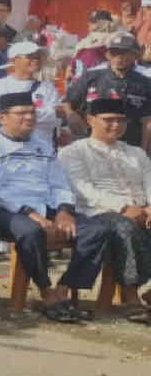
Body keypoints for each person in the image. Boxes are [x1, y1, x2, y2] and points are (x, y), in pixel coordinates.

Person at [0, 92, 109, 323]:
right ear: (2, 117)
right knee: (30, 231)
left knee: (96, 230)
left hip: (45, 204)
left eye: (32, 113)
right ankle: (46, 291)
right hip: (5, 208)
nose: (29, 118)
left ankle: (64, 289)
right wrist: (31, 213)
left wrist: (65, 211)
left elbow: (58, 182)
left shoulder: (43, 145)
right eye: (21, 113)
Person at [60, 98, 151, 319]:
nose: (116, 125)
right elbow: (82, 189)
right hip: (95, 212)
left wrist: (149, 208)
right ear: (90, 120)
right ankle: (130, 296)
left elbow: (149, 180)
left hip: (141, 210)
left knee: (130, 224)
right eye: (108, 120)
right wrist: (123, 207)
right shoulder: (74, 151)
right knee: (124, 226)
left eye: (121, 120)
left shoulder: (136, 153)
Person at [65, 32, 151, 150]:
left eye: (125, 53)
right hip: (92, 145)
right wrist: (70, 114)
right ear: (107, 55)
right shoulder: (91, 77)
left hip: (129, 146)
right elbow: (67, 101)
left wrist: (144, 150)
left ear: (135, 56)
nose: (119, 57)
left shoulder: (145, 83)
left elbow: (147, 122)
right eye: (114, 53)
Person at [0, 41, 64, 145]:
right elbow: (3, 115)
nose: (36, 60)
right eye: (30, 56)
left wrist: (19, 114)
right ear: (14, 60)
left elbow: (56, 116)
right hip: (7, 147)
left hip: (42, 148)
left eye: (38, 57)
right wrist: (45, 113)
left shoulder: (48, 87)